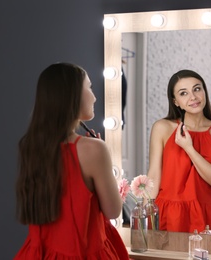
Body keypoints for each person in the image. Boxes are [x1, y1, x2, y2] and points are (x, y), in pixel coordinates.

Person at [14, 62, 129, 259]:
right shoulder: (93, 149)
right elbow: (113, 210)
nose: (94, 96)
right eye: (89, 87)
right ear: (72, 95)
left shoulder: (31, 147)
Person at [147, 69, 211, 235]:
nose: (193, 97)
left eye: (197, 89)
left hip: (208, 219)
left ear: (204, 92)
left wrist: (189, 148)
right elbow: (153, 176)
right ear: (176, 102)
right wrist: (145, 224)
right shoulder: (162, 128)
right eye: (183, 93)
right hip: (169, 215)